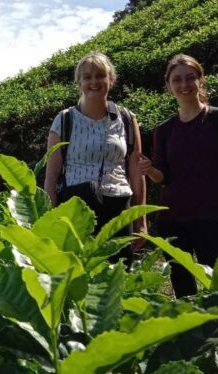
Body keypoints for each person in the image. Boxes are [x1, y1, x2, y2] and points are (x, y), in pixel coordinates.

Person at [137, 54, 218, 297]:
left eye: (190, 78)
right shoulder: (164, 129)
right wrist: (149, 170)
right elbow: (162, 177)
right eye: (177, 80)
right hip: (173, 217)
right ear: (168, 86)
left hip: (211, 213)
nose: (184, 85)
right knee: (183, 286)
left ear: (200, 80)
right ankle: (192, 334)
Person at [44, 51, 147, 256]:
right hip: (76, 205)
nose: (94, 82)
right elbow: (51, 176)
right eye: (87, 77)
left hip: (118, 203)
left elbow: (136, 172)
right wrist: (51, 221)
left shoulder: (126, 118)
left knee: (118, 273)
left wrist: (140, 221)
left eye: (100, 75)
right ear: (79, 82)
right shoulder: (64, 120)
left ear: (111, 79)